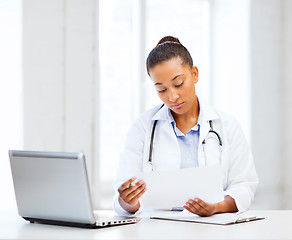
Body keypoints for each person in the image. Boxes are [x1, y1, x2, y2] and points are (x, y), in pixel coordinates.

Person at [113, 36, 258, 217]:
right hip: (158, 230)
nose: (172, 97)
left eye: (178, 84)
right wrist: (128, 199)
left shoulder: (227, 126)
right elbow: (123, 194)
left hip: (214, 229)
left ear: (195, 74)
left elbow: (244, 185)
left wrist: (216, 207)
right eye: (161, 89)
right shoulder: (142, 128)